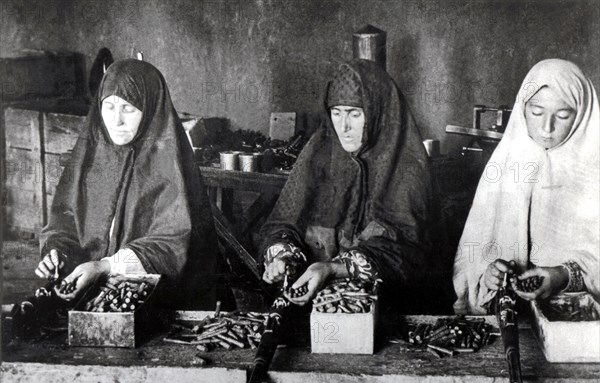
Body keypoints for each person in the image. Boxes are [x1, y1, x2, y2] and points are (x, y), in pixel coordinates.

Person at [35, 59, 217, 309]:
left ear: (151, 109)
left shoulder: (171, 167)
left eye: (128, 109)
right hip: (96, 299)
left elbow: (172, 244)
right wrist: (57, 252)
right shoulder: (89, 159)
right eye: (108, 106)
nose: (116, 120)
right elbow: (65, 220)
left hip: (165, 303)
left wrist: (105, 267)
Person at [260, 59, 434, 312]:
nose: (344, 126)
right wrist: (282, 257)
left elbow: (408, 252)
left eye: (355, 113)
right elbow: (284, 222)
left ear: (379, 114)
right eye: (337, 113)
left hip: (387, 312)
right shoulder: (318, 154)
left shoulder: (408, 168)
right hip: (312, 305)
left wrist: (333, 268)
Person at [453, 59, 599, 314]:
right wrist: (489, 276)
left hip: (580, 326)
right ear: (522, 108)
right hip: (511, 320)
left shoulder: (593, 172)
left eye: (563, 115)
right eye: (536, 112)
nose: (546, 127)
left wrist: (562, 276)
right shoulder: (506, 167)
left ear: (583, 114)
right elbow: (471, 258)